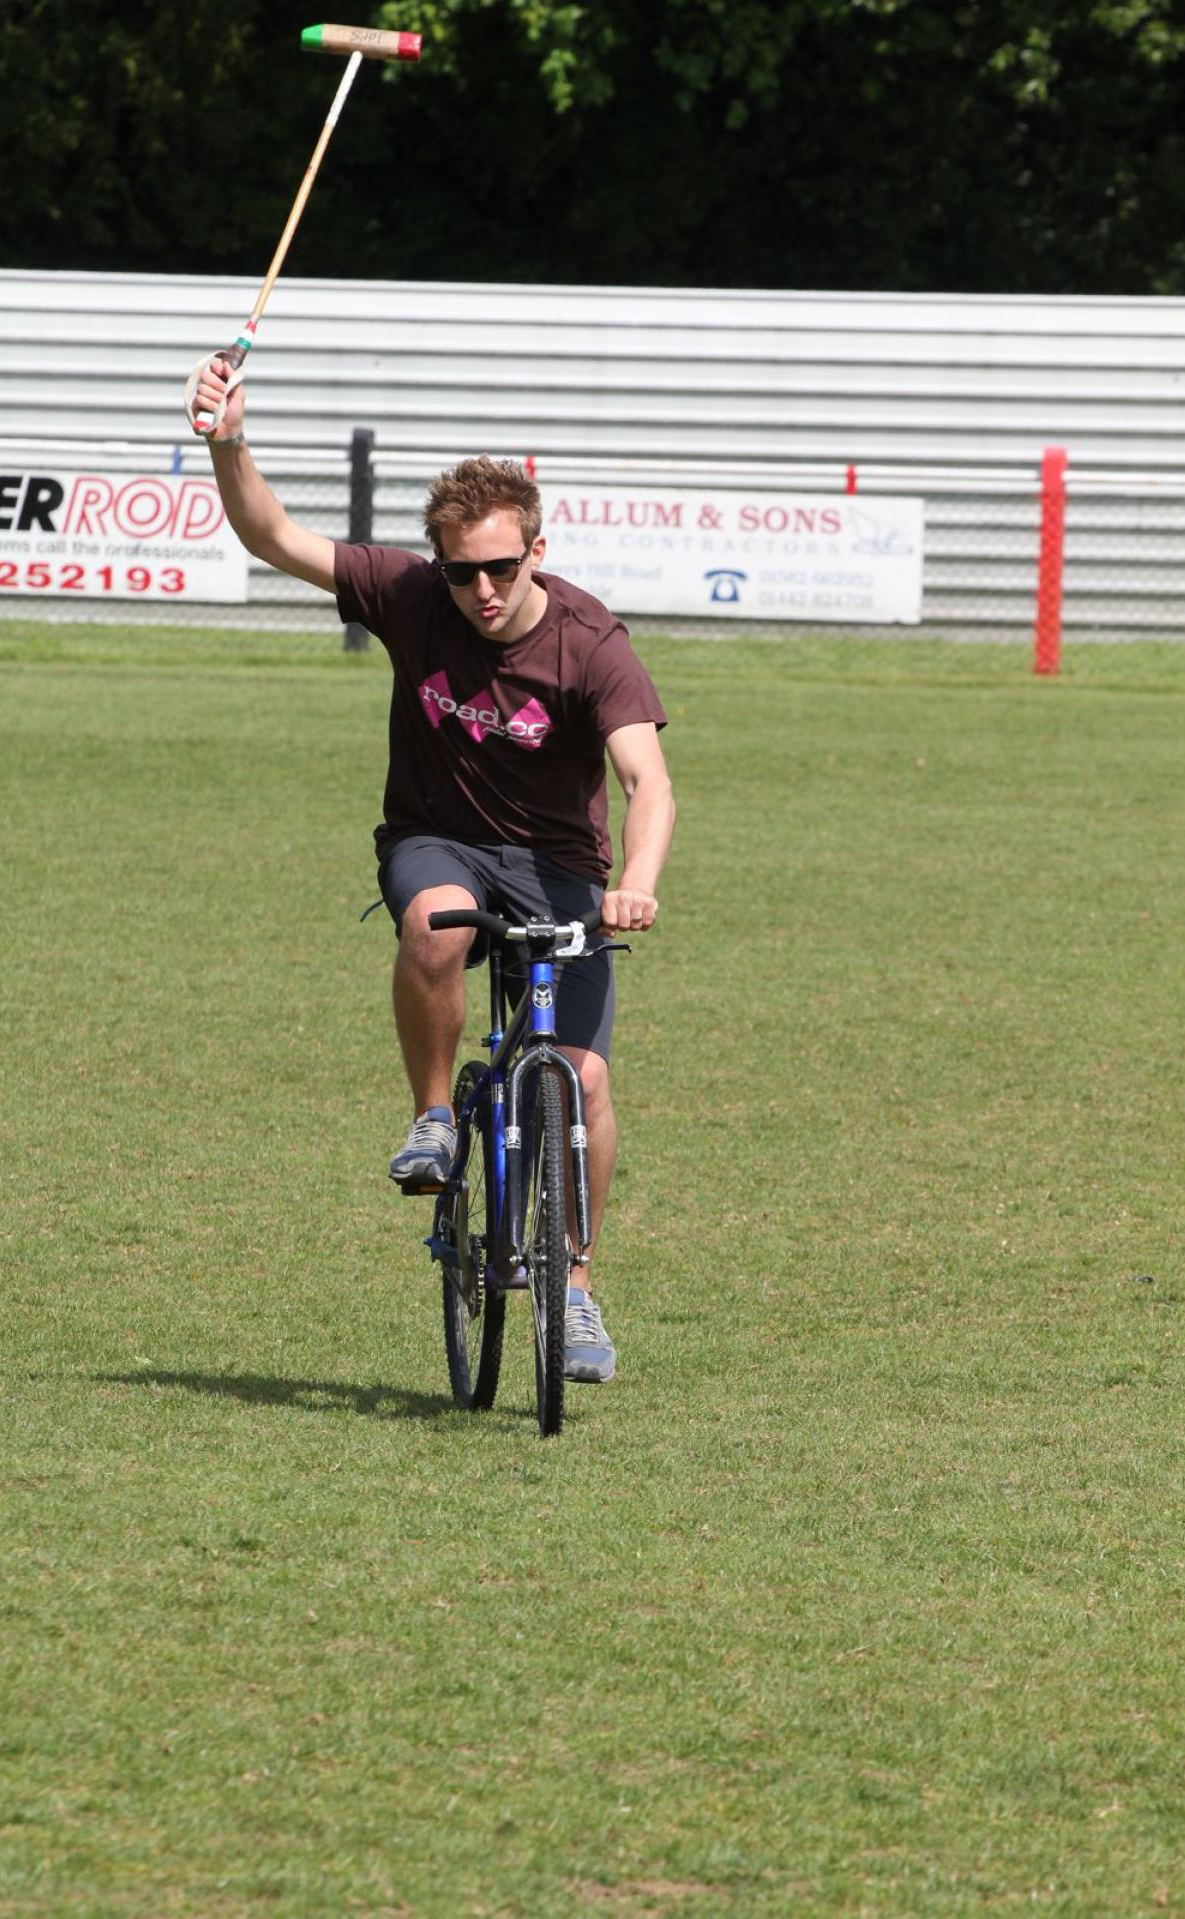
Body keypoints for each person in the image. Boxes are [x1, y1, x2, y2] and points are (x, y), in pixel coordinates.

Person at [188, 356, 674, 1383]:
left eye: (502, 567)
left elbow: (647, 777)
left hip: (558, 868)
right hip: (437, 839)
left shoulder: (592, 644)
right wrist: (229, 442)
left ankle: (575, 1286)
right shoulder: (411, 599)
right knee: (438, 923)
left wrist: (637, 876)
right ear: (438, 563)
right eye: (462, 572)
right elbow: (273, 535)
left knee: (581, 1080)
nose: (482, 592)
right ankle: (436, 1118)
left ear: (538, 549)